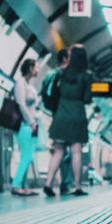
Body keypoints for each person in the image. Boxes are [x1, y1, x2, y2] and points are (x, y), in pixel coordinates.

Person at [43, 44, 94, 196]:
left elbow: (53, 92)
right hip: (77, 114)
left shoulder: (60, 73)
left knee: (58, 151)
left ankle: (48, 183)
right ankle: (77, 187)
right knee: (76, 151)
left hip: (61, 114)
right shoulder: (87, 75)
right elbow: (87, 98)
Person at [11, 59, 41, 196]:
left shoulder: (30, 86)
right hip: (24, 125)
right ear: (30, 68)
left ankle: (23, 186)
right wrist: (31, 122)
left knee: (28, 156)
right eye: (36, 67)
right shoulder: (20, 83)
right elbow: (20, 104)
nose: (38, 69)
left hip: (31, 125)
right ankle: (16, 185)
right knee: (27, 157)